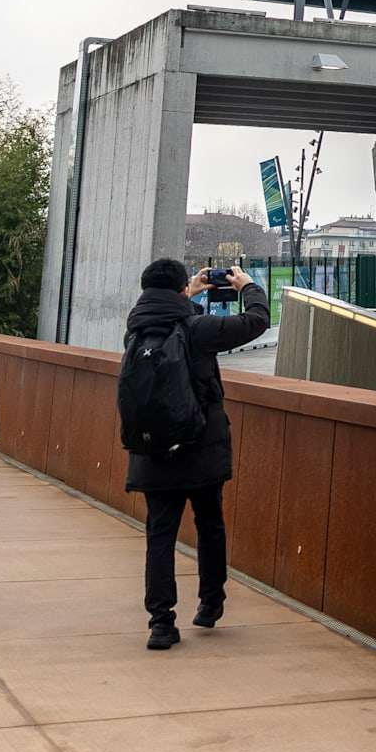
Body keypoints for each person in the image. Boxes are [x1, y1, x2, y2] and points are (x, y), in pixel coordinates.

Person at [126, 260, 268, 651]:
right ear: (179, 289)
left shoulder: (136, 330)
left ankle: (160, 623)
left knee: (160, 534)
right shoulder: (197, 329)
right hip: (200, 448)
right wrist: (247, 286)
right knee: (209, 525)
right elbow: (256, 321)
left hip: (152, 450)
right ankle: (210, 603)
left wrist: (188, 291)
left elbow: (166, 312)